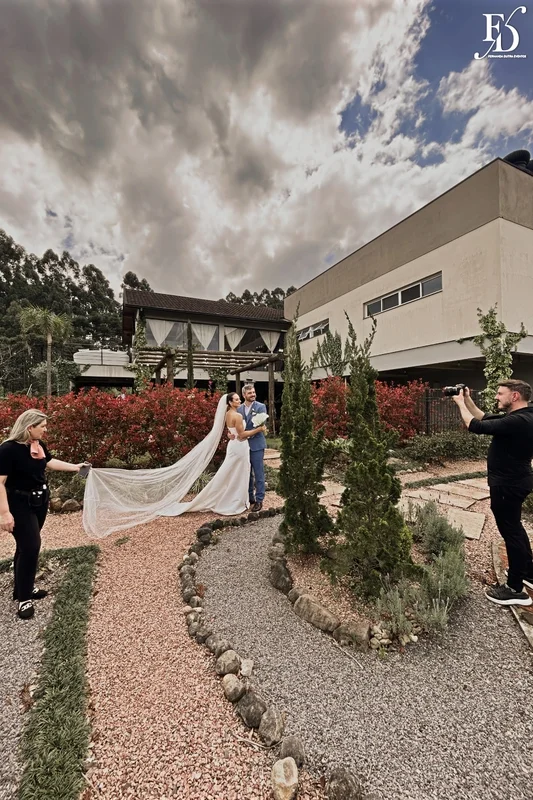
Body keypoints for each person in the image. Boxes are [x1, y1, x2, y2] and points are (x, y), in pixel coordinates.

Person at [82, 393, 267, 538]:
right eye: (235, 399)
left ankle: (239, 499)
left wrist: (232, 434)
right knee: (233, 475)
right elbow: (242, 435)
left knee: (233, 474)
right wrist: (259, 429)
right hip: (240, 447)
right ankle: (233, 501)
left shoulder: (228, 414)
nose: (238, 400)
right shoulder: (235, 414)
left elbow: (232, 432)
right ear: (230, 403)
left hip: (235, 447)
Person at [0, 410, 88, 619]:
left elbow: (49, 462)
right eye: (43, 426)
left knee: (25, 546)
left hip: (39, 502)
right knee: (31, 546)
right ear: (30, 427)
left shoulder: (37, 445)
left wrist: (76, 468)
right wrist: (4, 513)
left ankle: (23, 588)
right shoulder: (7, 450)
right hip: (19, 504)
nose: (46, 429)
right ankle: (24, 600)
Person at [452, 380, 533, 607]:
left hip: (508, 484)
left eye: (500, 393)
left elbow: (475, 426)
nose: (496, 397)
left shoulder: (519, 421)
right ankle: (528, 572)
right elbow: (484, 417)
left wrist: (459, 404)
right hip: (514, 482)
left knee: (511, 532)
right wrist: (467, 399)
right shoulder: (523, 416)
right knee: (515, 528)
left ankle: (515, 589)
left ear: (515, 396)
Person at [238, 384, 267, 512]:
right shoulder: (238, 409)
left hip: (257, 445)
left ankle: (259, 499)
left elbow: (261, 425)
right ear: (244, 395)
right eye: (250, 393)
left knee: (258, 473)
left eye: (254, 392)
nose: (253, 395)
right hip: (243, 446)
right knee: (246, 473)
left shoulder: (260, 407)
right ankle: (250, 497)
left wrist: (246, 433)